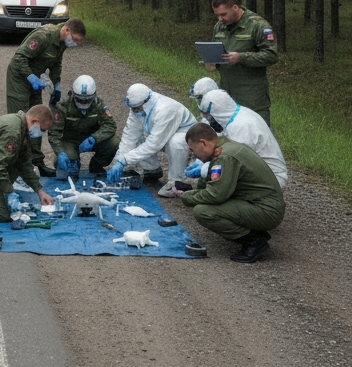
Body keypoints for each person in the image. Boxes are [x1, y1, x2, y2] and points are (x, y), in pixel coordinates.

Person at [175, 123, 285, 263]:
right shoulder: (226, 146)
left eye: (193, 150)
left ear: (203, 143)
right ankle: (252, 233)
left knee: (203, 211)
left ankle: (254, 241)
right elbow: (215, 183)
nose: (193, 154)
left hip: (267, 210)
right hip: (260, 203)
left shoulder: (224, 157)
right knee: (205, 204)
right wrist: (195, 189)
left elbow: (216, 195)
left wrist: (187, 196)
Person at [4, 18, 86, 175]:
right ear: (67, 30)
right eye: (75, 39)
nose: (75, 43)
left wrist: (56, 86)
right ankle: (14, 165)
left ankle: (37, 162)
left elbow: (56, 64)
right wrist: (31, 78)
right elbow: (19, 59)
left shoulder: (62, 43)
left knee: (38, 121)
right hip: (19, 79)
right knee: (20, 121)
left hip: (35, 80)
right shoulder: (43, 36)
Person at [180, 87, 287, 189]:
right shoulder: (238, 115)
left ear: (217, 112)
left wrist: (206, 168)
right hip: (261, 169)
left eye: (208, 115)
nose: (208, 119)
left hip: (272, 177)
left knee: (220, 187)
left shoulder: (240, 127)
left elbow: (232, 163)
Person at [104, 83, 197, 196]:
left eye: (137, 108)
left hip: (186, 136)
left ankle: (176, 181)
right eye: (133, 108)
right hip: (161, 135)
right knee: (140, 135)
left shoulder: (165, 109)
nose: (135, 111)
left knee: (176, 142)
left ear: (146, 102)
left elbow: (153, 144)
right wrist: (118, 160)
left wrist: (124, 160)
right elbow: (130, 135)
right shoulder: (137, 106)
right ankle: (152, 170)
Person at [207, 0, 278, 126]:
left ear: (235, 7)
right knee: (232, 138)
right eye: (217, 15)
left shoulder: (258, 25)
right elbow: (216, 50)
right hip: (227, 96)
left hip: (252, 97)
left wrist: (241, 58)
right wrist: (211, 61)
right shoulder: (219, 27)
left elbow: (272, 55)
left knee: (258, 138)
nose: (220, 19)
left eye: (223, 14)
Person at [48, 75, 119, 176]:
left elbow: (110, 125)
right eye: (79, 99)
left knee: (114, 143)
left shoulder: (99, 105)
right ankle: (71, 160)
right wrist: (60, 152)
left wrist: (94, 138)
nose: (83, 103)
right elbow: (54, 133)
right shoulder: (63, 107)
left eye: (87, 100)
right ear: (73, 94)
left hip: (91, 139)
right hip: (70, 141)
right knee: (68, 165)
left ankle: (96, 166)